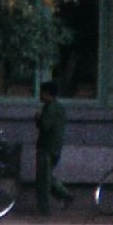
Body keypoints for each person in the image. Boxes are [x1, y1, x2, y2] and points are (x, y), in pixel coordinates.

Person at [34, 80, 74, 216]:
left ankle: (45, 208)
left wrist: (38, 119)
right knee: (46, 176)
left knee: (43, 179)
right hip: (54, 146)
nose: (39, 94)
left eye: (41, 92)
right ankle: (64, 195)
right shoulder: (58, 107)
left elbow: (45, 126)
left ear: (47, 93)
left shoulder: (50, 107)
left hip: (47, 146)